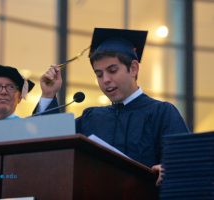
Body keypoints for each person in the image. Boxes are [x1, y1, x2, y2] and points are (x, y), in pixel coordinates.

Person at [37, 28, 190, 185]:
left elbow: (187, 165)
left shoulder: (161, 113)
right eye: (99, 74)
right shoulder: (91, 118)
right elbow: (50, 145)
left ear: (133, 68)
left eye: (112, 70)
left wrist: (169, 169)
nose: (105, 80)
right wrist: (48, 95)